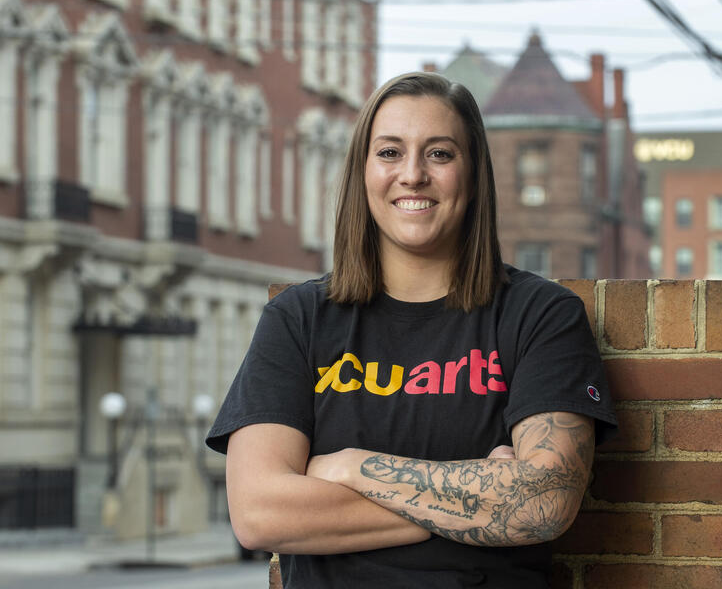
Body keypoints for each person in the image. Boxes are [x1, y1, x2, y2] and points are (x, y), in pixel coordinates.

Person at [206, 72, 617, 588]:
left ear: (473, 174)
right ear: (363, 172)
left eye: (440, 154)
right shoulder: (300, 319)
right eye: (390, 153)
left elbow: (543, 503)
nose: (413, 174)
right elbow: (259, 513)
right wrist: (475, 504)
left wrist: (353, 467)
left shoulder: (540, 316)